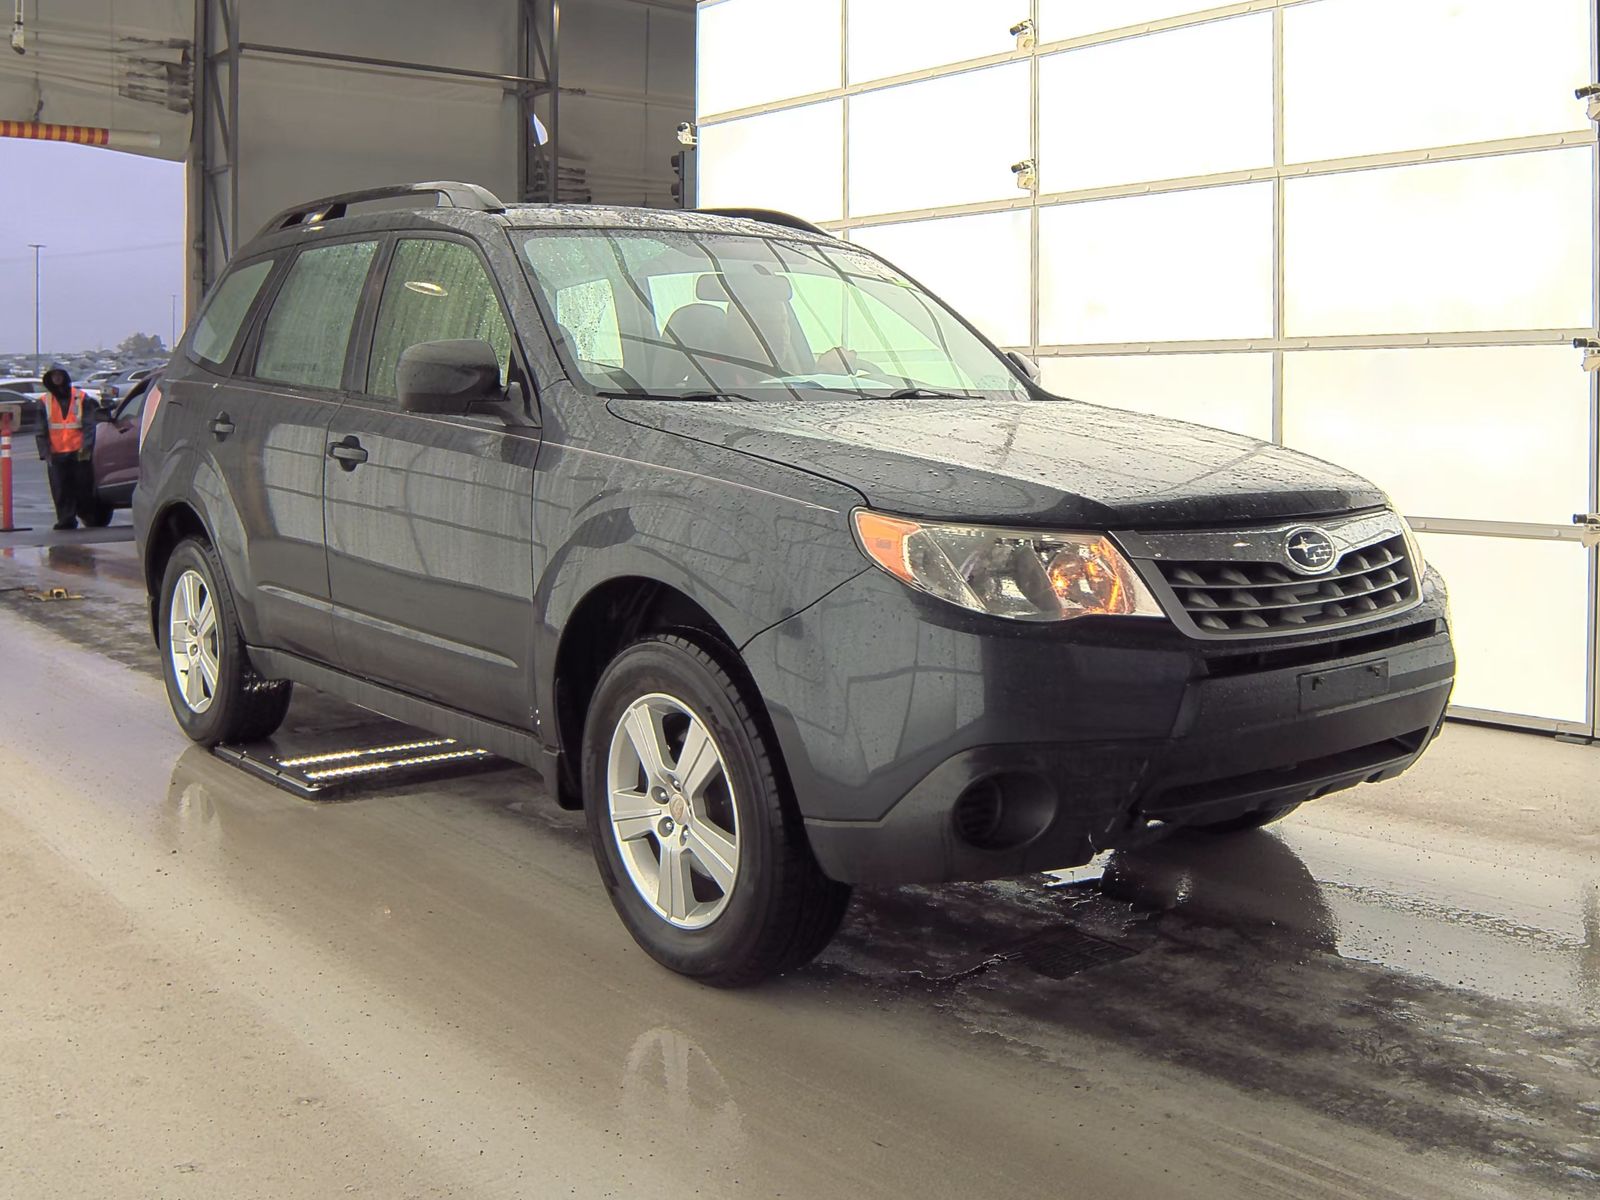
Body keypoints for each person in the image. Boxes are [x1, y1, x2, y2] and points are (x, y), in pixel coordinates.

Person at [35, 367, 100, 531]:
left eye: (59, 376)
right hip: (56, 454)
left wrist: (86, 447)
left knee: (83, 487)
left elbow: (89, 425)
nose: (57, 379)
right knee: (60, 489)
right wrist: (45, 452)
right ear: (49, 379)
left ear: (65, 377)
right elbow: (41, 430)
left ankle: (87, 515)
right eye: (53, 376)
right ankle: (66, 520)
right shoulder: (44, 401)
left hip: (78, 452)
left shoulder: (81, 398)